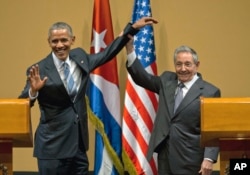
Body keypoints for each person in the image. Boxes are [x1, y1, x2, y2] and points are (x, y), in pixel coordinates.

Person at [18, 17, 158, 175]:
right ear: (48, 42)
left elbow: (107, 53)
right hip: (52, 148)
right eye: (54, 41)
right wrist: (33, 92)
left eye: (64, 40)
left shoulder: (80, 58)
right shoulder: (39, 69)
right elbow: (21, 104)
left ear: (72, 40)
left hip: (78, 146)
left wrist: (132, 29)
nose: (59, 45)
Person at [125, 38, 220, 175]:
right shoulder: (167, 81)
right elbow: (142, 78)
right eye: (178, 64)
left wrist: (209, 158)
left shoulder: (210, 92)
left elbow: (213, 130)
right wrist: (130, 49)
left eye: (188, 64)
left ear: (197, 65)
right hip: (165, 157)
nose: (182, 69)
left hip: (192, 160)